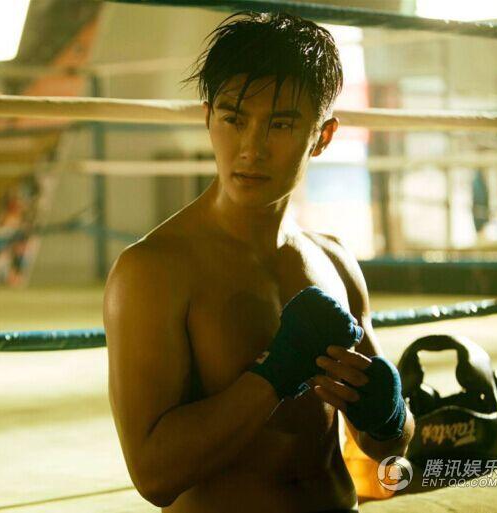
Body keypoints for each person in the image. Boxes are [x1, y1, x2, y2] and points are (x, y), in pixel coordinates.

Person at [104, 12, 414, 512]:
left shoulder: (334, 261)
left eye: (281, 124)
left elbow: (387, 452)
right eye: (234, 119)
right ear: (208, 118)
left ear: (322, 136)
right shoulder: (153, 271)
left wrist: (389, 413)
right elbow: (153, 475)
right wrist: (272, 377)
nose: (251, 148)